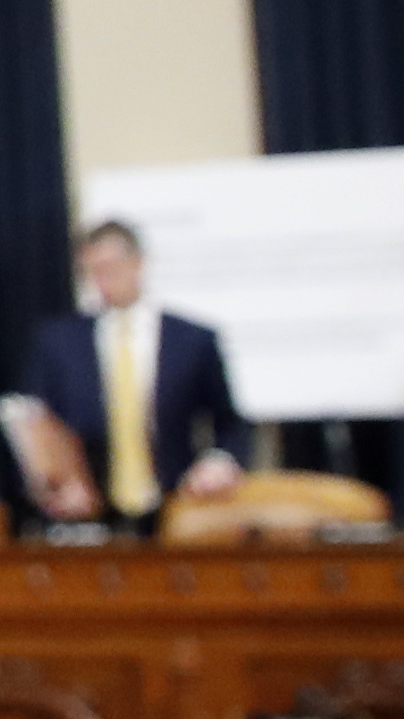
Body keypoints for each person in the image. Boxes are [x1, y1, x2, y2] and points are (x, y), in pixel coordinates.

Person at [13, 219, 247, 534]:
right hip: (89, 513)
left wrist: (219, 461)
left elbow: (228, 422)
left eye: (110, 267)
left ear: (137, 263)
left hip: (177, 507)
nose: (102, 281)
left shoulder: (192, 340)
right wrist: (58, 484)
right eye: (92, 271)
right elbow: (39, 422)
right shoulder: (60, 343)